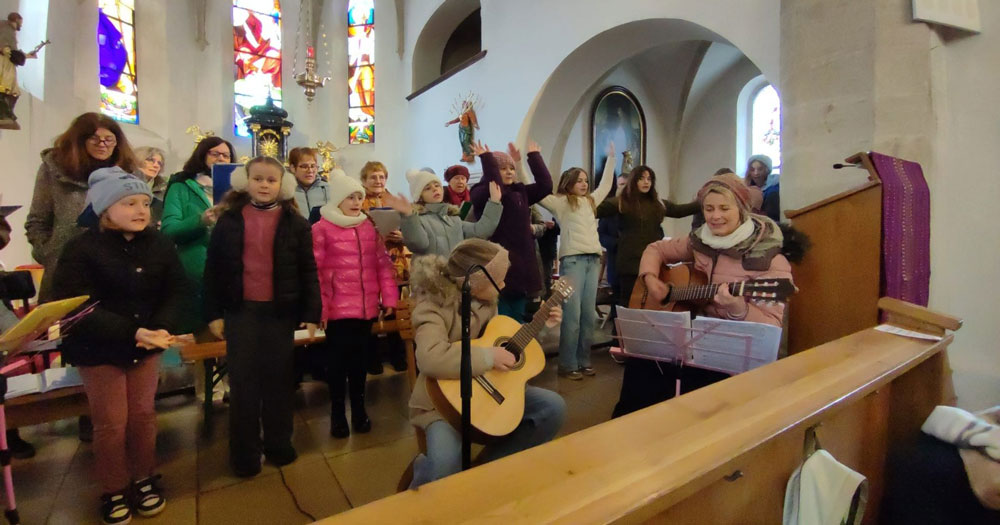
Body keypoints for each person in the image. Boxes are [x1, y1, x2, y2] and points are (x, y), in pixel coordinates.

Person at [49, 167, 189, 524]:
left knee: (143, 416)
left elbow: (175, 289)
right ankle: (113, 489)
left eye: (145, 203)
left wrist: (161, 327)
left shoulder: (158, 243)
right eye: (129, 203)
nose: (142, 210)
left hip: (147, 344)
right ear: (104, 209)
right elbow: (78, 306)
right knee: (112, 423)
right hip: (99, 348)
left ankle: (143, 478)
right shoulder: (81, 249)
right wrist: (134, 332)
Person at [611, 172, 793, 417]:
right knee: (643, 363)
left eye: (724, 208)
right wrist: (651, 279)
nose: (715, 216)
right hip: (694, 338)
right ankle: (634, 432)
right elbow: (655, 249)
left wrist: (739, 309)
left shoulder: (769, 257)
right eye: (709, 209)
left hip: (730, 349)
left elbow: (771, 324)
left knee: (704, 386)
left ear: (741, 209)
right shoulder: (699, 241)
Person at [407, 239, 565, 488]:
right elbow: (430, 358)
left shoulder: (486, 301)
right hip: (440, 404)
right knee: (444, 465)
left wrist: (542, 328)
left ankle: (487, 471)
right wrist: (489, 358)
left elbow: (501, 343)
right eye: (498, 280)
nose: (503, 285)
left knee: (552, 407)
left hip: (485, 390)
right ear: (474, 282)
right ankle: (422, 491)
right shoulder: (432, 305)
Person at [203, 156, 321, 477]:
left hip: (279, 313)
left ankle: (278, 445)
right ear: (246, 181)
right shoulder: (229, 220)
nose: (265, 185)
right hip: (241, 312)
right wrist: (213, 313)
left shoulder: (294, 222)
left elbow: (308, 270)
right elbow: (213, 268)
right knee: (243, 385)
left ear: (283, 184)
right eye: (258, 179)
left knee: (278, 382)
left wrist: (311, 313)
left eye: (271, 180)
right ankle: (244, 454)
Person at [312, 171, 399, 438]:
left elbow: (382, 265)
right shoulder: (321, 228)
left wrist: (390, 297)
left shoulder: (368, 227)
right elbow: (316, 272)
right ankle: (338, 415)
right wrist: (320, 311)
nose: (356, 202)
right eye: (350, 197)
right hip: (337, 311)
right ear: (338, 199)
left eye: (359, 197)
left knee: (359, 364)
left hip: (365, 309)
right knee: (337, 366)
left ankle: (360, 411)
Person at [25, 112, 137, 302]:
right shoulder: (54, 169)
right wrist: (49, 253)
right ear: (79, 140)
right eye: (95, 139)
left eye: (109, 139)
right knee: (67, 326)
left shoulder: (130, 172)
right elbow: (37, 221)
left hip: (118, 267)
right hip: (65, 267)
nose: (103, 144)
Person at [538, 143, 616, 379]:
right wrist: (527, 159)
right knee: (571, 316)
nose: (584, 184)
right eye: (579, 180)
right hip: (572, 261)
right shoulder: (560, 203)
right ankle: (567, 364)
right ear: (569, 183)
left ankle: (583, 361)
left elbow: (606, 185)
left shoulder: (591, 202)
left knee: (587, 316)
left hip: (593, 260)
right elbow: (538, 192)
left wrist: (611, 159)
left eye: (585, 180)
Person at [469, 140, 553, 320]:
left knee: (519, 322)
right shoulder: (480, 191)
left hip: (521, 266)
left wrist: (534, 157)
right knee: (501, 323)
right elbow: (496, 188)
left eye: (511, 168)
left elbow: (546, 186)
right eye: (502, 168)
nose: (509, 172)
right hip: (498, 264)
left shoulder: (519, 191)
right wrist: (487, 159)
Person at [595, 165, 699, 309]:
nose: (646, 182)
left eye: (649, 179)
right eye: (642, 178)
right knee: (627, 304)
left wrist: (705, 203)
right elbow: (593, 211)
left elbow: (679, 210)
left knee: (650, 304)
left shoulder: (658, 204)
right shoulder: (621, 202)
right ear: (633, 181)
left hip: (653, 261)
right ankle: (621, 331)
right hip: (629, 263)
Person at [160, 137, 234, 336]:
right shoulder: (181, 187)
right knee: (203, 336)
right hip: (196, 270)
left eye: (226, 155)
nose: (221, 159)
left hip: (232, 272)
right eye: (215, 154)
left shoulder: (238, 190)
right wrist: (200, 220)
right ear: (202, 155)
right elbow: (168, 229)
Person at [381, 168, 503, 257]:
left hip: (455, 278)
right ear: (420, 196)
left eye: (437, 185)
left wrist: (494, 202)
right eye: (427, 188)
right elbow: (419, 244)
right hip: (430, 282)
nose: (435, 189)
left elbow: (480, 231)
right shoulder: (418, 219)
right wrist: (409, 215)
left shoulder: (454, 219)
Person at [359, 160, 409, 373]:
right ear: (364, 180)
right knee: (370, 312)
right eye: (373, 177)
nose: (378, 181)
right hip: (370, 263)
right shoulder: (358, 201)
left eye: (381, 177)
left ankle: (398, 357)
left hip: (395, 262)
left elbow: (412, 227)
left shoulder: (394, 200)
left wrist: (402, 235)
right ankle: (372, 360)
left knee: (395, 311)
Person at [0, 12, 38, 126]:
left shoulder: (10, 31)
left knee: (14, 91)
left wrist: (27, 56)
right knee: (5, 89)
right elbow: (7, 49)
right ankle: (3, 114)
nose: (20, 26)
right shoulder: (6, 29)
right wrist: (20, 55)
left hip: (8, 63)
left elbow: (13, 53)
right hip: (4, 64)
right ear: (15, 20)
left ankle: (7, 114)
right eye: (19, 23)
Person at [288, 146, 330, 223]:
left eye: (313, 166)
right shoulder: (286, 191)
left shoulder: (327, 188)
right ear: (293, 168)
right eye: (304, 166)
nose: (310, 170)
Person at [132, 146, 168, 222]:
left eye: (159, 163)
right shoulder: (125, 182)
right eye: (151, 160)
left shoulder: (164, 188)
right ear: (138, 160)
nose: (156, 165)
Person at [744, 154, 780, 222]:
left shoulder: (773, 192)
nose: (756, 173)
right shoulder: (747, 188)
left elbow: (772, 219)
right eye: (752, 169)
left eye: (760, 169)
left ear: (767, 170)